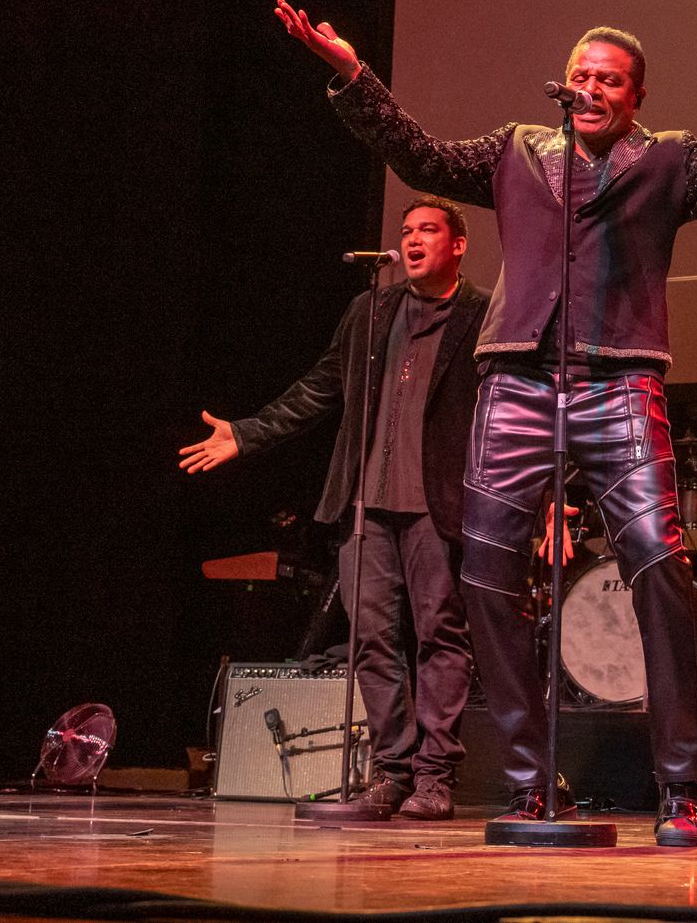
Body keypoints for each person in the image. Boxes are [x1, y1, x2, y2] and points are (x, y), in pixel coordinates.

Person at [274, 0, 697, 847]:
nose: (592, 88)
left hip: (618, 382)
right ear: (567, 83)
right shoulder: (517, 148)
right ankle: (527, 781)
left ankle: (681, 785)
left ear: (636, 96)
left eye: (610, 80)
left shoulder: (668, 159)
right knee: (483, 576)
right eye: (583, 75)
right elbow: (419, 151)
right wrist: (351, 73)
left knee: (660, 568)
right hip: (516, 379)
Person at [180, 198, 488, 819]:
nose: (413, 240)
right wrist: (248, 432)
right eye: (406, 232)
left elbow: (518, 410)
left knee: (439, 635)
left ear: (458, 245)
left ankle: (434, 777)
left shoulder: (483, 314)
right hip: (362, 502)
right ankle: (394, 771)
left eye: (428, 230)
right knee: (370, 638)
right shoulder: (370, 311)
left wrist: (547, 497)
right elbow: (320, 387)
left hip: (439, 504)